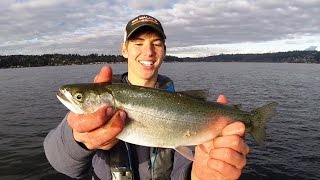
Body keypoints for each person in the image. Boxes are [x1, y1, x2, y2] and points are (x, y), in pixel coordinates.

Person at [44, 15, 249, 180]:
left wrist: (198, 176)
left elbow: (184, 168)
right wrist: (77, 138)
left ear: (164, 51)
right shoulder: (92, 107)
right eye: (138, 43)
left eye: (156, 44)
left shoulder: (183, 106)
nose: (148, 51)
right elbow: (61, 163)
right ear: (124, 49)